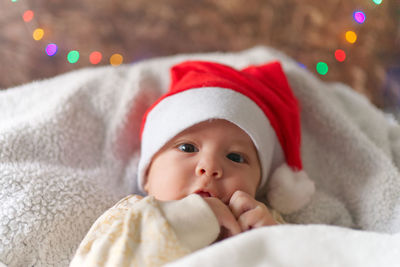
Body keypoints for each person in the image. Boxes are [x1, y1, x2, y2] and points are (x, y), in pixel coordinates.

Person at [70, 60, 315, 267]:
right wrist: (191, 217)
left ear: (258, 185)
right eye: (187, 147)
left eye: (236, 157)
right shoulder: (131, 214)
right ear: (146, 175)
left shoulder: (264, 222)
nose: (210, 167)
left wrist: (275, 240)